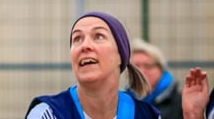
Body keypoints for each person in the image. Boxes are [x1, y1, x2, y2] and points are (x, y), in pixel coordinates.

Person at [25, 11, 160, 119]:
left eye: (99, 36)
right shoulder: (49, 114)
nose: (85, 46)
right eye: (77, 38)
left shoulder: (148, 115)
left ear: (120, 54)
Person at [127, 38, 182, 118]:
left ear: (161, 69)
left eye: (147, 66)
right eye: (136, 67)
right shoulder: (122, 102)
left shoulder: (180, 103)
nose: (141, 71)